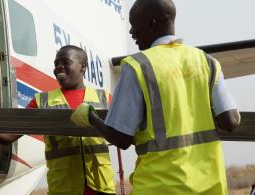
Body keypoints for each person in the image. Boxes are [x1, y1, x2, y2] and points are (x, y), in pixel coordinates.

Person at [71, 0, 241, 194]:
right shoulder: (207, 62)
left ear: (151, 24)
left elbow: (121, 138)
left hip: (159, 188)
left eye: (134, 24)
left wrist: (91, 117)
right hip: (210, 187)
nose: (131, 33)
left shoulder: (138, 65)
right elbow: (230, 121)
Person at [28, 45, 116, 195]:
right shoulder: (41, 101)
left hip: (100, 188)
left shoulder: (104, 98)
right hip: (63, 188)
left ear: (83, 67)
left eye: (65, 62)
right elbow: (10, 134)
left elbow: (123, 134)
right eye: (56, 64)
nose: (58, 67)